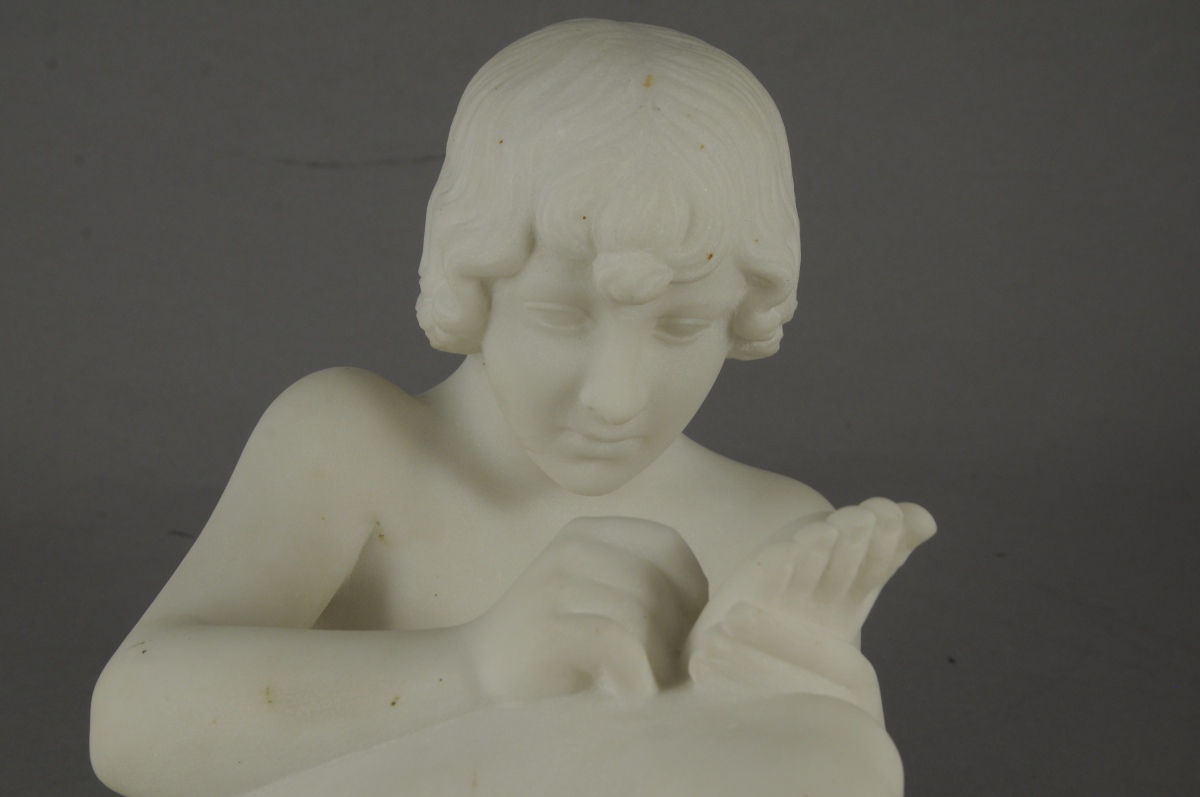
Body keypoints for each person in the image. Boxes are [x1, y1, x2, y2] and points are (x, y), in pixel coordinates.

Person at [91, 19, 934, 797]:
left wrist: (806, 712)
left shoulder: (769, 530)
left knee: (850, 756)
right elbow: (131, 723)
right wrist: (475, 667)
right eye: (559, 315)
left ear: (742, 313)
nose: (615, 396)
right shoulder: (354, 445)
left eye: (681, 326)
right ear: (474, 283)